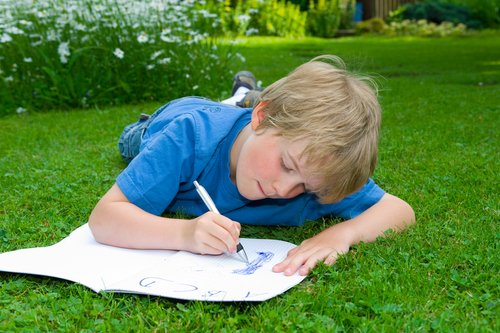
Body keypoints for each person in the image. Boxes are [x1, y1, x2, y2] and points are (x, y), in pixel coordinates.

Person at [88, 55, 415, 276]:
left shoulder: (320, 170)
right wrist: (185, 234)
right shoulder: (187, 137)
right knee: (132, 140)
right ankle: (240, 98)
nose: (285, 190)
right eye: (286, 165)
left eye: (305, 187)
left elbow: (399, 210)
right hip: (166, 118)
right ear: (263, 116)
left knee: (235, 113)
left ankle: (242, 95)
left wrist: (341, 235)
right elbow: (105, 218)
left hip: (246, 119)